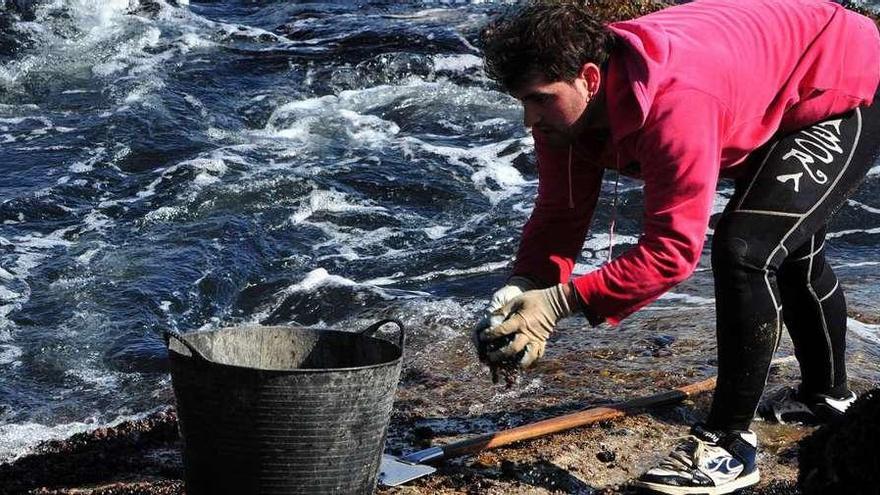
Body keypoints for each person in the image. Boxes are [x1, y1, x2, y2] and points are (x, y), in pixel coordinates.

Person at [472, 1, 880, 494]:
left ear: (589, 78)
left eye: (539, 100)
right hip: (760, 74)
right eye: (522, 102)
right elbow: (561, 212)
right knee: (786, 244)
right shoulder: (565, 113)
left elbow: (672, 252)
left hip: (839, 71)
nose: (528, 120)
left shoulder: (675, 101)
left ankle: (728, 444)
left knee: (747, 247)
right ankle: (826, 398)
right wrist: (526, 285)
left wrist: (558, 305)